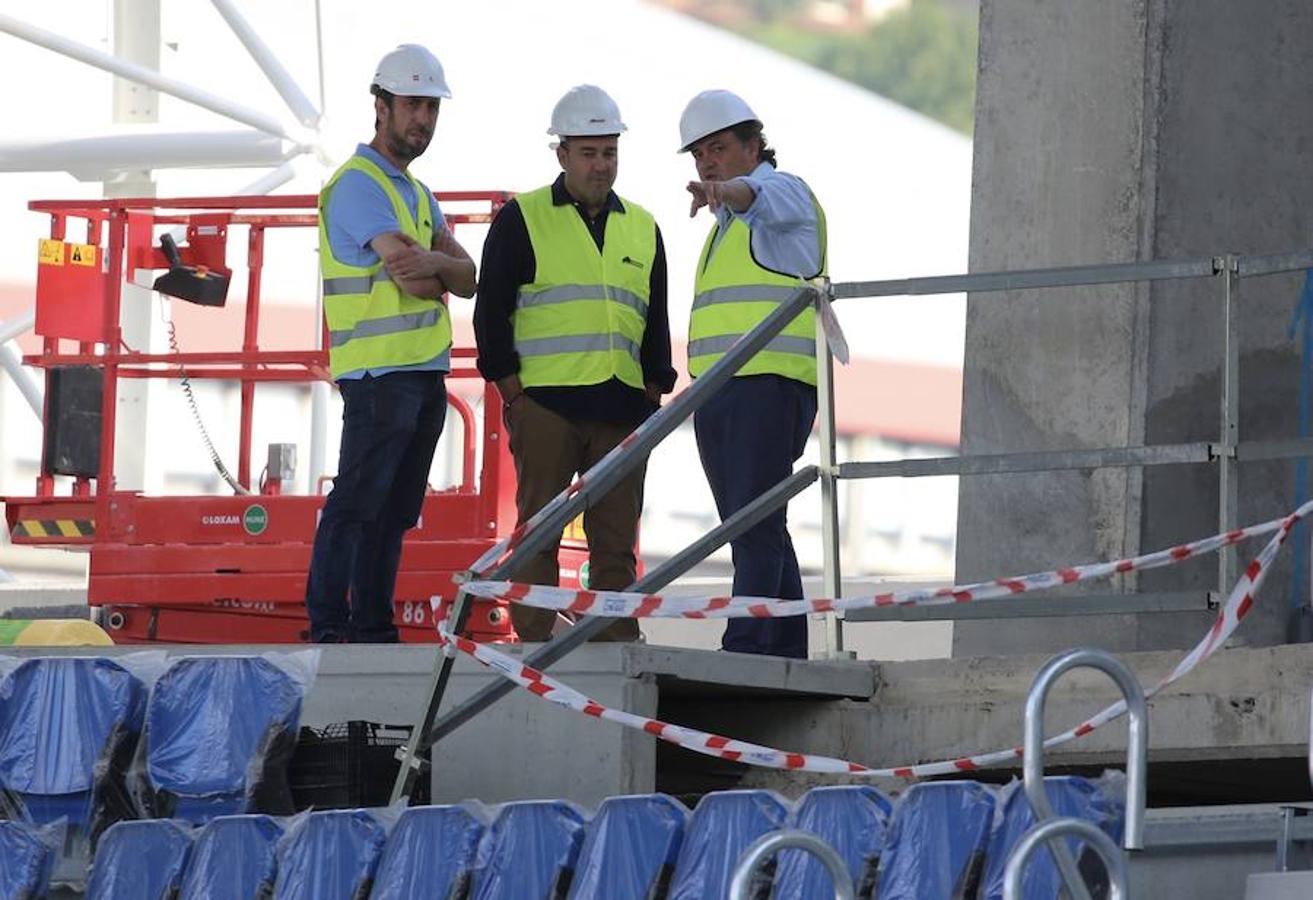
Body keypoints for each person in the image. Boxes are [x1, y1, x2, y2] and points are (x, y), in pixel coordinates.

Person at [474, 84, 676, 643]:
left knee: (616, 538)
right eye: (589, 152)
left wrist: (653, 391)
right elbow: (492, 313)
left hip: (621, 407)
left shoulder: (643, 226)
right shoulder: (522, 218)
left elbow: (654, 318)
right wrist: (515, 395)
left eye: (609, 152)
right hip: (547, 406)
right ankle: (534, 639)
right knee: (538, 529)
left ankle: (615, 640)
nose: (601, 164)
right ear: (562, 154)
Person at [305, 44, 476, 643]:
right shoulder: (358, 185)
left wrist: (434, 268)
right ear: (380, 106)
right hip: (378, 375)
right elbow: (419, 274)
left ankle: (372, 626)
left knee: (394, 512)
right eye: (412, 105)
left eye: (430, 107)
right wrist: (436, 269)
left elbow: (469, 277)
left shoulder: (416, 193)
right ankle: (330, 626)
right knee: (357, 503)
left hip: (422, 374)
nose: (422, 119)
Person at [678, 89, 827, 659]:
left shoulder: (783, 193)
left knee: (752, 522)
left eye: (719, 148)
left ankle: (745, 643)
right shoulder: (724, 226)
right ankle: (784, 643)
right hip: (723, 390)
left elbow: (757, 195)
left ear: (753, 145)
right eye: (699, 155)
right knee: (755, 522)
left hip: (767, 384)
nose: (708, 162)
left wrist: (729, 192)